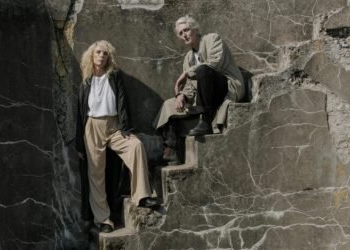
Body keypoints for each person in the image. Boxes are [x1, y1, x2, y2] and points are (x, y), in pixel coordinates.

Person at [75, 40, 158, 233]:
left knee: (136, 146)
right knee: (95, 173)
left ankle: (142, 195)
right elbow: (80, 114)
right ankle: (103, 219)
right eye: (98, 53)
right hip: (92, 127)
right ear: (91, 56)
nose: (101, 56)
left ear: (109, 56)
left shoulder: (114, 76)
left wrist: (125, 127)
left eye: (105, 53)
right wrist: (80, 142)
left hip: (114, 126)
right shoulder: (85, 82)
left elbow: (122, 102)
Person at [154, 15, 245, 161]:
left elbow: (214, 63)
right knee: (169, 105)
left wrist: (186, 73)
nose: (184, 35)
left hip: (226, 86)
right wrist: (182, 96)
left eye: (187, 30)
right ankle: (171, 148)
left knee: (203, 70)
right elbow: (190, 85)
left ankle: (205, 121)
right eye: (181, 33)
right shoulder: (188, 57)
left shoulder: (212, 39)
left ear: (195, 29)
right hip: (204, 95)